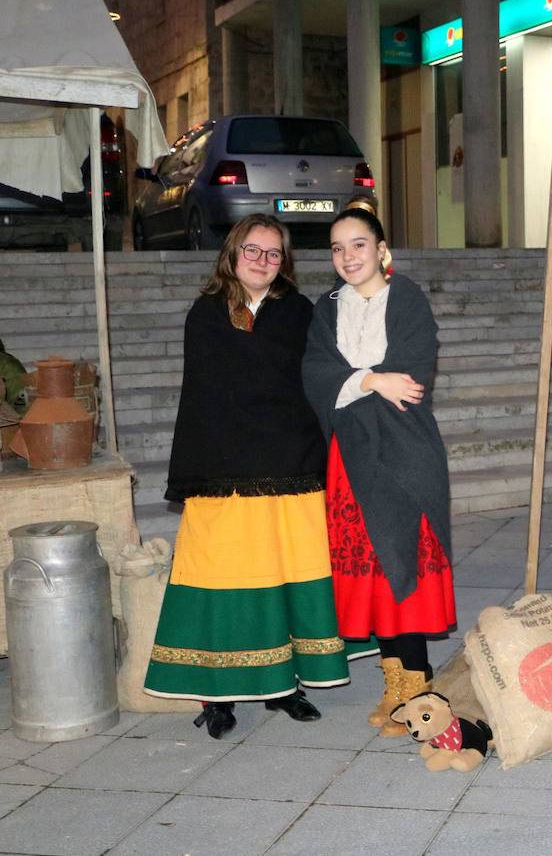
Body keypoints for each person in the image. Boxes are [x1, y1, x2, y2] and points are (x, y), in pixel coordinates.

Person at [145, 214, 348, 738]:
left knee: (283, 577)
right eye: (253, 251)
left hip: (289, 465)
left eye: (273, 253)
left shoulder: (299, 311)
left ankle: (284, 685)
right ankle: (218, 695)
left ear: (285, 262)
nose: (262, 261)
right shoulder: (207, 313)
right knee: (222, 579)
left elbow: (316, 381)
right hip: (224, 471)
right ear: (232, 254)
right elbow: (204, 397)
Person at [302, 207, 456, 737]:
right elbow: (317, 376)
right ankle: (395, 681)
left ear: (381, 249)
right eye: (338, 248)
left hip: (404, 451)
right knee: (372, 565)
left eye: (359, 245)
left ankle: (419, 682)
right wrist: (371, 381)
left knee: (402, 558)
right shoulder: (326, 310)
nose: (348, 256)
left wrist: (359, 384)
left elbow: (411, 377)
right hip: (350, 457)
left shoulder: (406, 298)